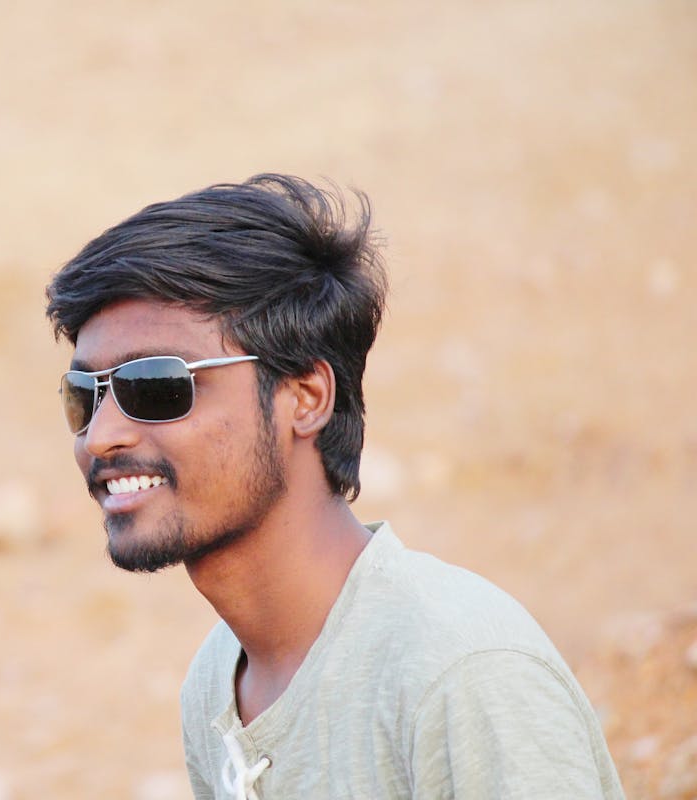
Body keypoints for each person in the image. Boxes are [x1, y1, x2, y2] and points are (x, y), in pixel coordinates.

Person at [44, 174, 624, 799]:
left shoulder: (460, 675)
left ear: (306, 397)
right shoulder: (218, 680)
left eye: (155, 386)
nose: (99, 437)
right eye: (85, 397)